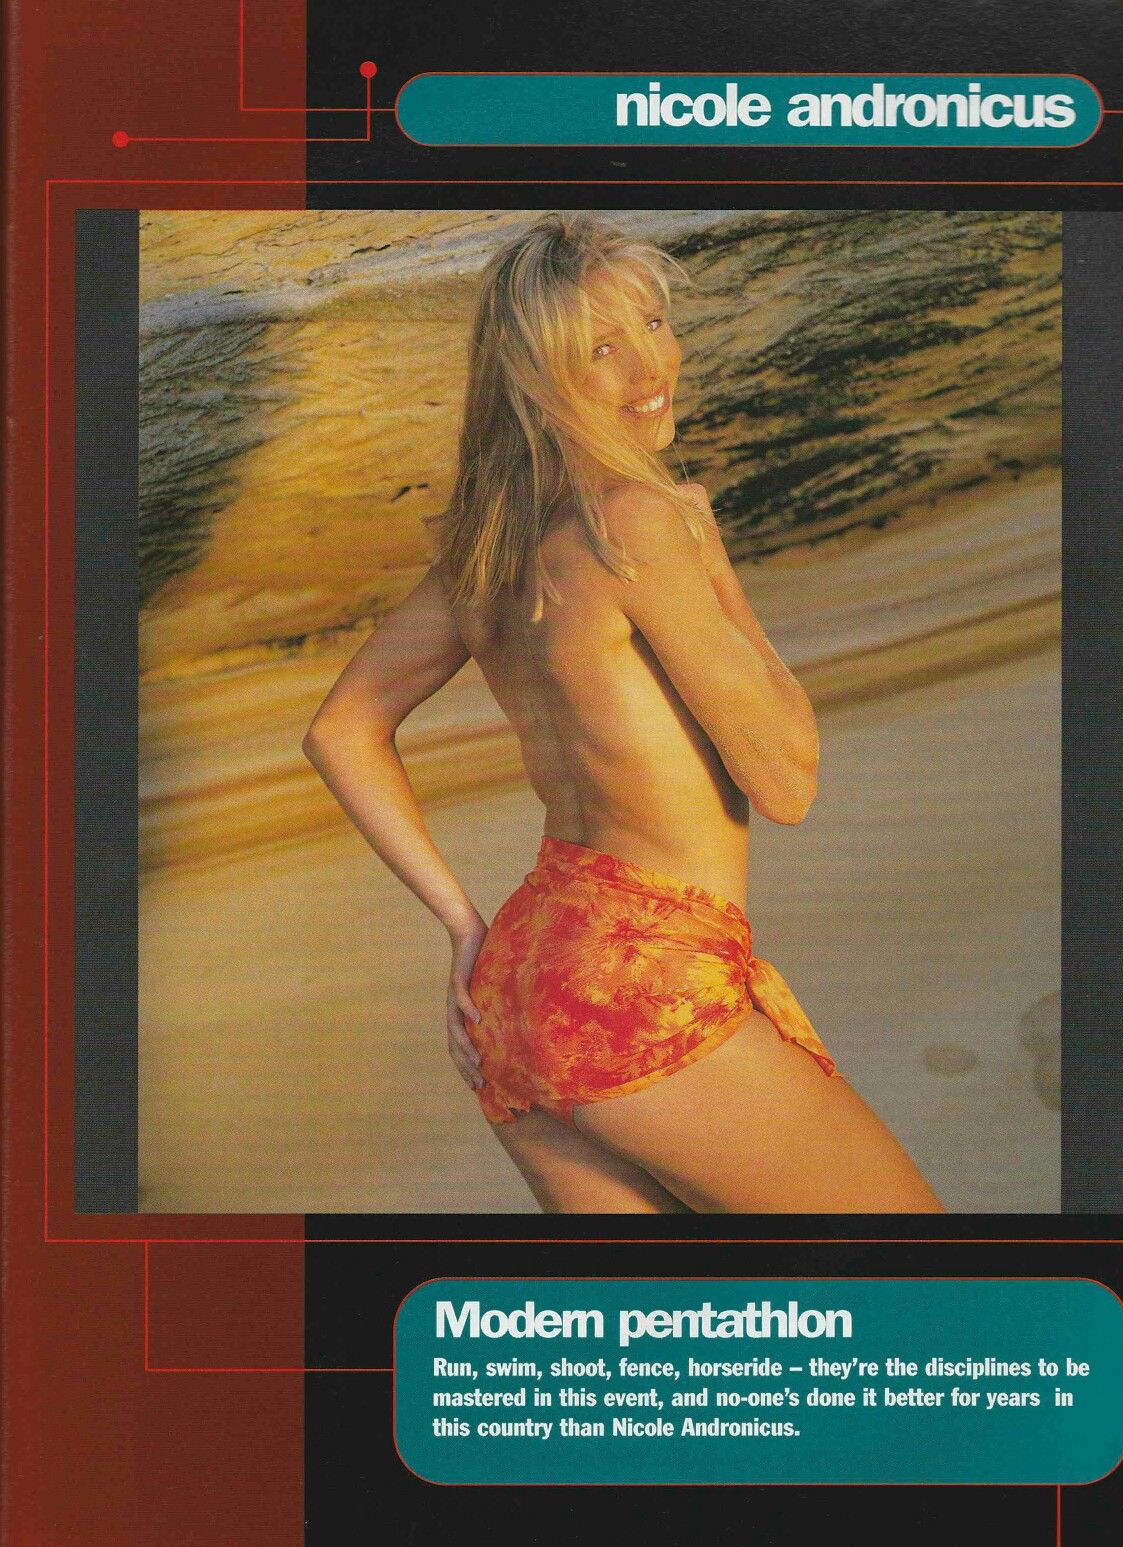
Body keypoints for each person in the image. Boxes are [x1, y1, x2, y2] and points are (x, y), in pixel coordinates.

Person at [303, 212, 944, 1216]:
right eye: (602, 348)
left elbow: (340, 729)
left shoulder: (486, 553)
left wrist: (462, 925)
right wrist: (714, 561)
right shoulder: (639, 522)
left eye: (653, 322)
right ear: (538, 377)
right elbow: (787, 780)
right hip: (644, 984)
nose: (652, 366)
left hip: (516, 985)